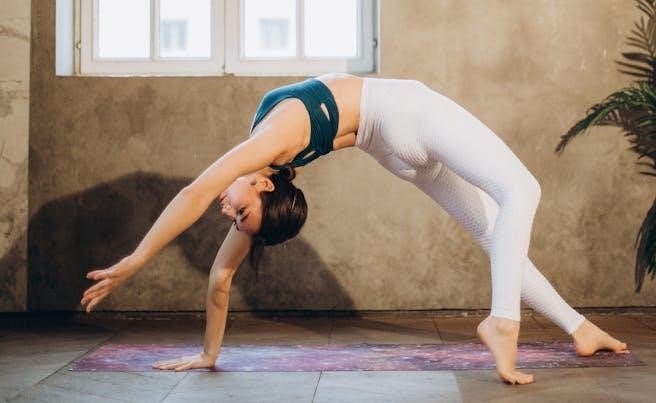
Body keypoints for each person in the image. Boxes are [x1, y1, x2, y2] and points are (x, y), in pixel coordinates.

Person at [82, 74, 628, 385]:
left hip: (393, 143)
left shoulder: (268, 149)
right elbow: (221, 276)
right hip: (404, 117)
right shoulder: (268, 162)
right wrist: (208, 354)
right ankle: (503, 322)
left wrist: (135, 260)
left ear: (263, 186)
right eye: (240, 218)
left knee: (495, 229)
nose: (230, 213)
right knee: (521, 192)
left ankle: (578, 328)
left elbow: (195, 197)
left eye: (239, 215)